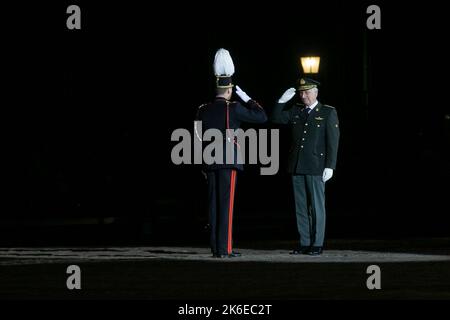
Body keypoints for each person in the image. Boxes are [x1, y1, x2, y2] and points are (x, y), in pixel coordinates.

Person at [195, 49, 267, 258]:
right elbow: (261, 117)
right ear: (229, 90)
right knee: (226, 206)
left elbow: (198, 139)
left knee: (213, 206)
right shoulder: (233, 107)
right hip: (228, 160)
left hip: (209, 161)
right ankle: (225, 249)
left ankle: (216, 248)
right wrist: (248, 99)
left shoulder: (202, 109)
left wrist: (202, 164)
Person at [271, 77, 340, 255]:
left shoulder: (327, 112)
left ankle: (317, 243)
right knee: (301, 207)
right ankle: (304, 241)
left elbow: (333, 141)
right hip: (297, 165)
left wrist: (330, 165)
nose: (303, 96)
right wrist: (281, 101)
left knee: (317, 207)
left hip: (316, 165)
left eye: (307, 92)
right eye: (301, 92)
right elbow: (276, 118)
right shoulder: (296, 110)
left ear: (316, 92)